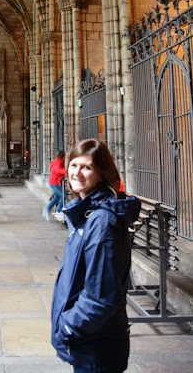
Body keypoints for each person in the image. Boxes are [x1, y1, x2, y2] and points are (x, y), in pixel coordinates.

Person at [51, 139, 140, 373]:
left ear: (101, 173)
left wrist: (68, 328)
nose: (76, 172)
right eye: (73, 165)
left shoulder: (102, 222)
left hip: (97, 345)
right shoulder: (89, 214)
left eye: (86, 167)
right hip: (92, 341)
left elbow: (100, 297)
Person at [43, 150, 66, 221]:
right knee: (63, 196)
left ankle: (47, 209)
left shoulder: (56, 161)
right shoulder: (58, 162)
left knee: (56, 197)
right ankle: (58, 212)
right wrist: (67, 171)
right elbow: (58, 170)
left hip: (55, 182)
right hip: (55, 182)